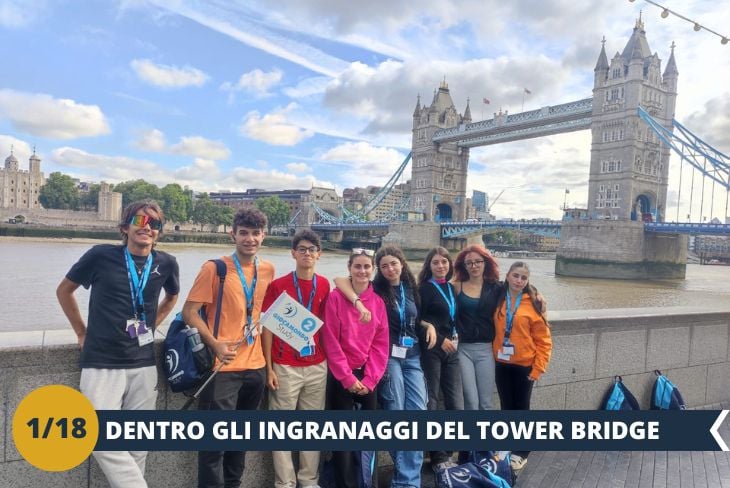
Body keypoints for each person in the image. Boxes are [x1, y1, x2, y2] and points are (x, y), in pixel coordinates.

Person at [56, 200, 179, 488]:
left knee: (138, 442)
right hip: (101, 361)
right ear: (125, 227)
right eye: (140, 221)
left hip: (143, 361)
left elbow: (172, 297)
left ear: (160, 232)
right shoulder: (100, 256)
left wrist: (150, 326)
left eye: (154, 224)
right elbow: (64, 291)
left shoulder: (166, 263)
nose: (147, 228)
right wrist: (80, 332)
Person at [182, 208, 275, 488]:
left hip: (255, 367)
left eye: (255, 233)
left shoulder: (268, 269)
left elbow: (265, 315)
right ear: (232, 234)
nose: (250, 239)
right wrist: (215, 344)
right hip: (222, 368)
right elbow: (190, 312)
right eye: (243, 233)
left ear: (263, 236)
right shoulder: (215, 268)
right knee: (214, 446)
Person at [336, 245, 436, 488]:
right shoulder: (377, 290)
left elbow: (413, 315)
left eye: (394, 263)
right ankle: (405, 480)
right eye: (384, 266)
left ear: (402, 263)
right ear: (378, 270)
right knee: (396, 414)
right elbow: (340, 279)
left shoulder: (412, 289)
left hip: (412, 358)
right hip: (388, 358)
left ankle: (407, 481)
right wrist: (359, 303)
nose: (390, 269)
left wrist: (428, 325)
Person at [262, 229, 330, 488]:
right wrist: (269, 368)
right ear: (293, 253)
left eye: (312, 250)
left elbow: (325, 326)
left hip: (316, 365)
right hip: (285, 366)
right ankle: (285, 483)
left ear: (319, 255)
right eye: (302, 249)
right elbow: (266, 327)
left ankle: (309, 481)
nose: (307, 253)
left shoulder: (324, 284)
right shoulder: (278, 285)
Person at [321, 248, 389, 488]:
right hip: (342, 376)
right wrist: (347, 378)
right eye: (357, 266)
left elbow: (381, 345)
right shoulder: (335, 298)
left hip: (368, 375)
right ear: (349, 268)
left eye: (366, 267)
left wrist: (371, 379)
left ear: (373, 270)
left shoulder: (378, 303)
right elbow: (330, 339)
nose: (362, 271)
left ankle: (367, 482)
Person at [493, 261, 552, 471]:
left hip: (525, 366)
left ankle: (522, 451)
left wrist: (538, 369)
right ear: (507, 276)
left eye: (523, 278)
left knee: (521, 409)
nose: (519, 281)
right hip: (502, 363)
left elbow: (544, 341)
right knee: (506, 407)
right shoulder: (498, 296)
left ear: (528, 281)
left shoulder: (534, 303)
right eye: (515, 276)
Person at [417, 246, 463, 473]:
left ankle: (450, 450)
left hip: (452, 350)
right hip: (432, 350)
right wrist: (441, 338)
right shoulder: (424, 289)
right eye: (436, 262)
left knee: (455, 402)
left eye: (444, 262)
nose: (441, 266)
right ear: (429, 266)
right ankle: (437, 456)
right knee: (432, 401)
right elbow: (416, 321)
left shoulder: (452, 288)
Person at [451, 245, 501, 411]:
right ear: (464, 266)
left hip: (486, 349)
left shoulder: (496, 287)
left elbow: (519, 289)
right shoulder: (457, 286)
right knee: (471, 402)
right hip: (463, 349)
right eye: (469, 263)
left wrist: (537, 295)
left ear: (485, 263)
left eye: (478, 261)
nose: (474, 266)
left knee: (486, 403)